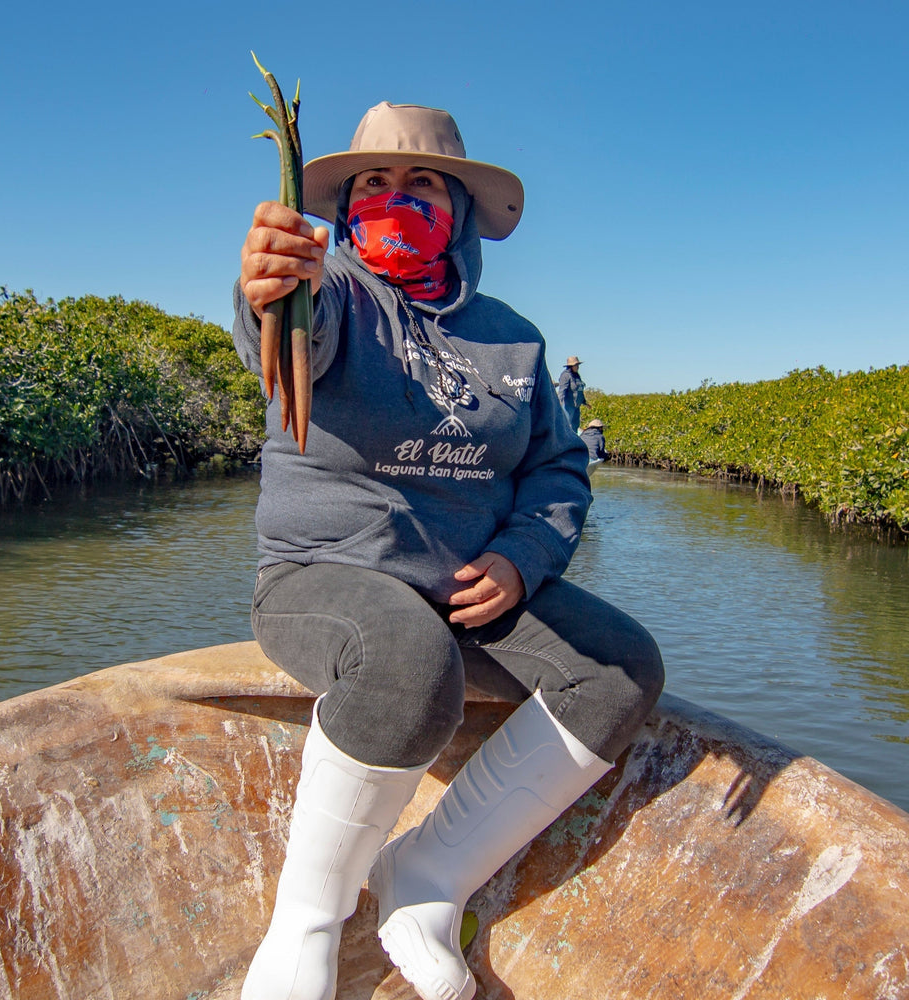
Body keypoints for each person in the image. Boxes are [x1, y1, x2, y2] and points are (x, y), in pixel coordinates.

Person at [233, 101, 664, 1000]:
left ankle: (428, 876)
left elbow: (557, 468)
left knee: (620, 668)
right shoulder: (334, 291)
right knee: (405, 657)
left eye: (421, 182)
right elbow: (283, 328)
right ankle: (306, 921)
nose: (395, 197)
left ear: (460, 211)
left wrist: (521, 556)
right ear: (344, 206)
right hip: (326, 574)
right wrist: (267, 285)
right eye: (373, 182)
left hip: (470, 588)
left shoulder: (515, 338)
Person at [556, 355, 589, 430]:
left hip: (576, 407)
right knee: (566, 426)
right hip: (568, 406)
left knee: (575, 427)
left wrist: (584, 402)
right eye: (576, 365)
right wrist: (559, 404)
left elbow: (579, 390)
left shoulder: (577, 375)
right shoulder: (565, 375)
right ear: (571, 366)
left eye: (578, 365)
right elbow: (562, 391)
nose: (578, 367)